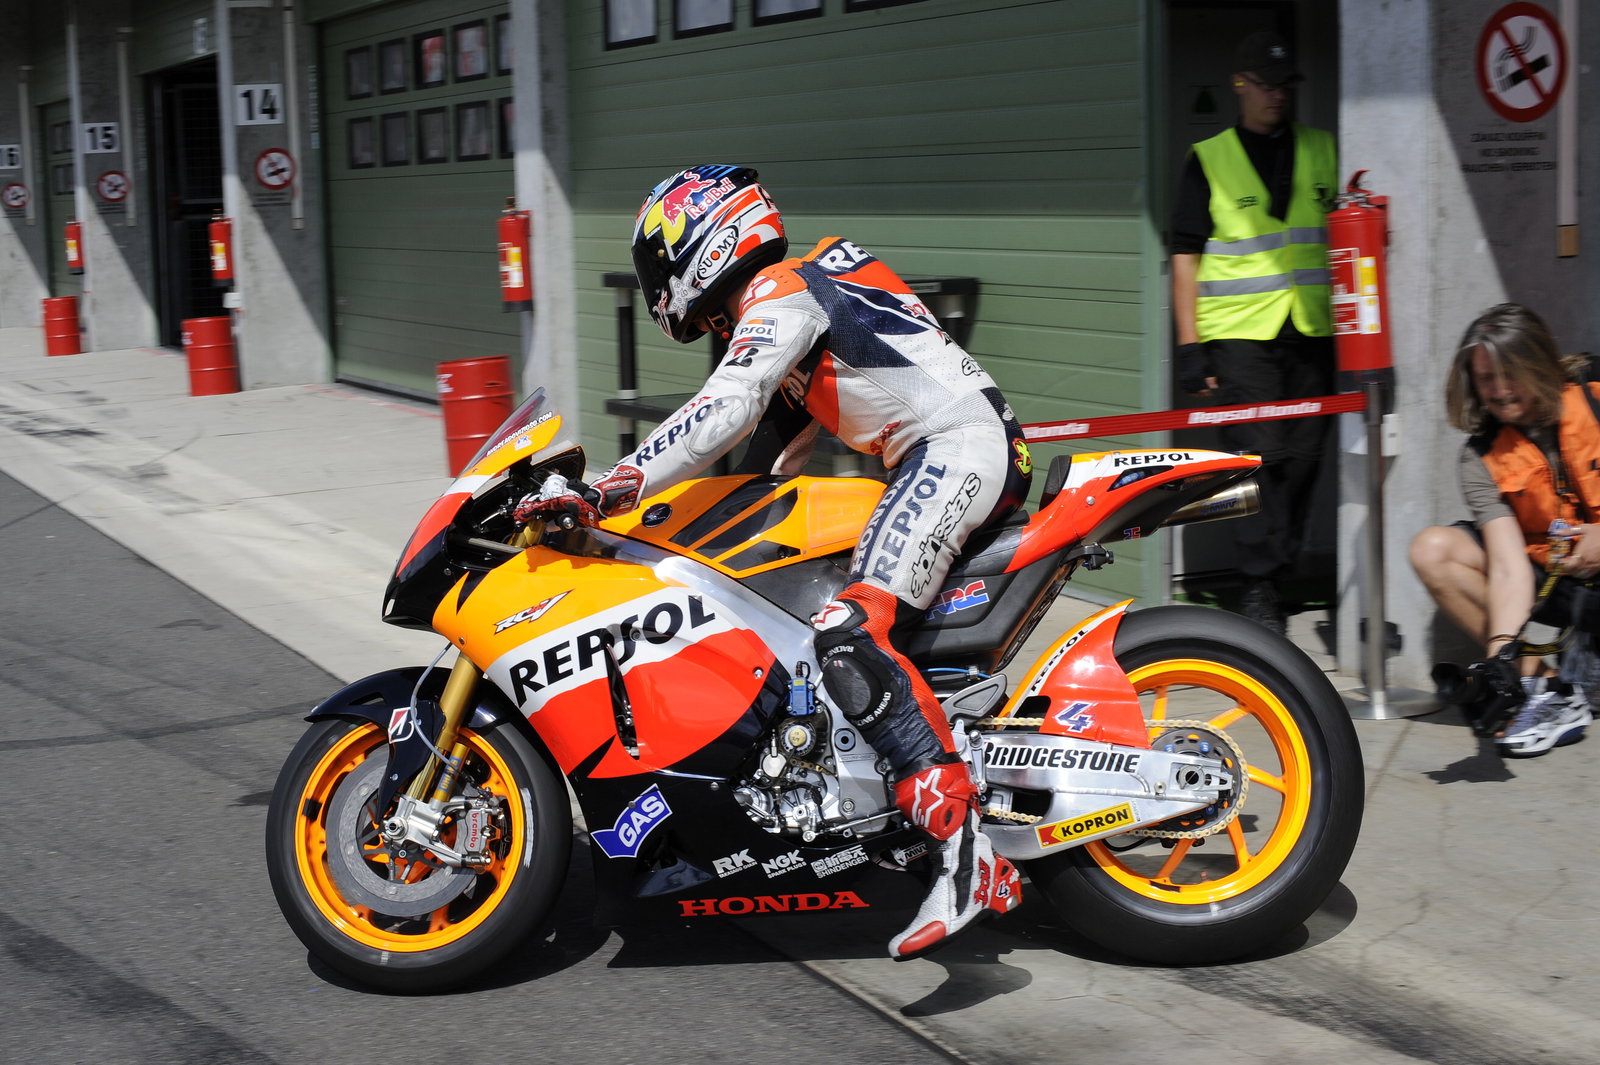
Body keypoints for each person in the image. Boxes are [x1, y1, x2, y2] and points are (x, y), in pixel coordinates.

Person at [518, 165, 1032, 958]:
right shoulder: (797, 312)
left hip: (954, 449)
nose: (659, 288)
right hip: (948, 450)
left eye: (661, 266)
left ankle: (966, 850)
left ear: (703, 237)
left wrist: (609, 487)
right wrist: (635, 529)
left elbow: (727, 405)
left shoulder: (782, 291)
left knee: (848, 628)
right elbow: (752, 472)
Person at [1168, 30, 1337, 635]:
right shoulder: (1209, 158)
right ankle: (1261, 585)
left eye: (1285, 85)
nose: (1277, 96)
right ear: (1239, 84)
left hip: (1312, 332)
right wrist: (1190, 347)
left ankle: (1279, 568)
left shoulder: (1323, 149)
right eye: (1265, 85)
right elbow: (1185, 254)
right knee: (1258, 460)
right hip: (1240, 337)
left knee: (1305, 459)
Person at [1410, 303, 1596, 757]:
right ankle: (1546, 690)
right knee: (1433, 549)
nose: (1498, 390)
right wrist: (1501, 661)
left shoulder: (1593, 394)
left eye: (1507, 374)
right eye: (1485, 378)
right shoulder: (1480, 457)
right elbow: (1510, 569)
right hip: (1558, 583)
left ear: (1536, 362)